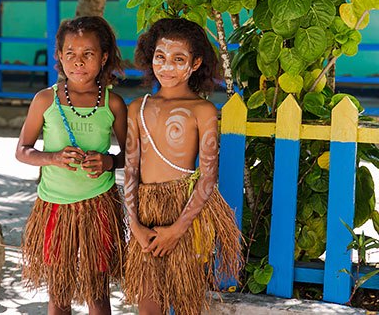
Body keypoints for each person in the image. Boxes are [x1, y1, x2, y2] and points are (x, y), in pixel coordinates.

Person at [123, 18, 243, 315]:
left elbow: (208, 177)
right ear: (150, 58)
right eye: (160, 57)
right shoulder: (137, 108)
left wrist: (177, 229)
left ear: (195, 63)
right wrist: (135, 225)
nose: (167, 66)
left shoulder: (202, 110)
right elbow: (130, 170)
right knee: (148, 300)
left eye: (179, 59)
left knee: (187, 298)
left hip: (187, 213)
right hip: (146, 212)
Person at [16, 16, 128, 315]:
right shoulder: (44, 100)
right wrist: (53, 158)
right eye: (71, 54)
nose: (79, 62)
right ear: (59, 57)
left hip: (99, 205)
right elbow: (22, 151)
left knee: (98, 294)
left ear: (103, 57)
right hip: (54, 206)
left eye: (88, 54)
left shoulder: (112, 103)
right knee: (59, 294)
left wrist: (108, 162)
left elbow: (131, 155)